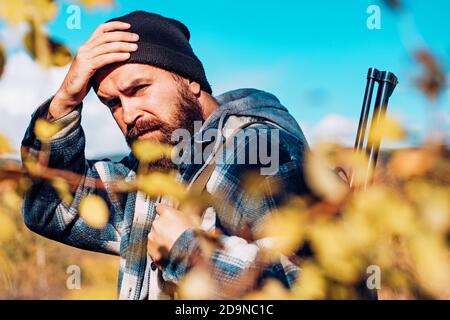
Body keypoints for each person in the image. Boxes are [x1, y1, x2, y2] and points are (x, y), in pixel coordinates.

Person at [21, 11, 310, 299]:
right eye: (113, 103)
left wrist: (188, 253)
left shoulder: (258, 149)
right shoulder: (151, 171)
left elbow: (312, 287)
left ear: (191, 80)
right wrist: (64, 102)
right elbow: (50, 209)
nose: (129, 114)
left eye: (138, 89)